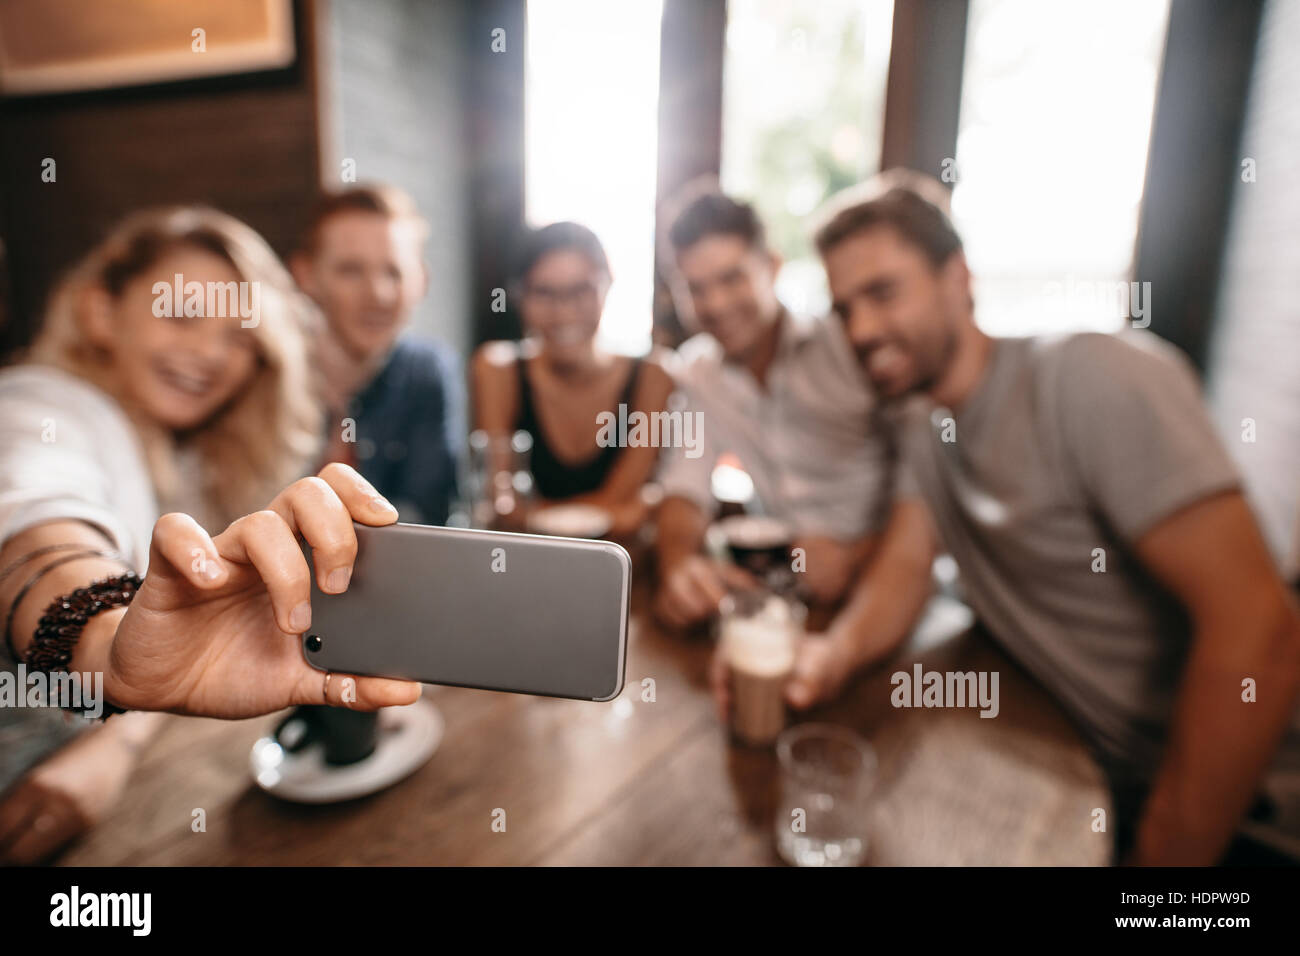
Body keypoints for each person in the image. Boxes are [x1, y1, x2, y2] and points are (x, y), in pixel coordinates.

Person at [766, 168, 1300, 865]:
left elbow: (1259, 629)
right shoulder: (923, 425)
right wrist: (830, 656)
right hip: (1080, 769)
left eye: (883, 292)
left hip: (1242, 811)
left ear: (959, 277)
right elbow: (904, 564)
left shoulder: (1088, 376)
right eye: (844, 310)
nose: (862, 329)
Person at [0, 207, 418, 864]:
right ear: (100, 312)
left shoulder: (189, 460)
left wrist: (116, 742)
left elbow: (174, 642)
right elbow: (38, 530)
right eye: (181, 316)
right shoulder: (38, 408)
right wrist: (105, 642)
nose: (210, 355)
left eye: (238, 336)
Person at [655, 184, 933, 708]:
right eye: (696, 288)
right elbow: (682, 489)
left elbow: (928, 491)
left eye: (732, 278)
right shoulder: (698, 372)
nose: (715, 304)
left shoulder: (852, 342)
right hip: (793, 605)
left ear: (773, 267)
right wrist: (678, 566)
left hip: (896, 596)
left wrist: (854, 555)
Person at [470, 222, 674, 538]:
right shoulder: (497, 368)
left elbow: (622, 499)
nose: (564, 312)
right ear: (520, 296)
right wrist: (622, 513)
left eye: (581, 291)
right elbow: (502, 508)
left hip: (618, 573)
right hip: (523, 568)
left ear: (608, 286)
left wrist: (536, 516)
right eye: (544, 293)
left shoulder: (654, 375)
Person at [291, 184, 462, 526]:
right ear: (306, 275)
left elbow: (429, 516)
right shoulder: (265, 370)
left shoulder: (427, 372)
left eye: (394, 272)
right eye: (351, 270)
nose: (378, 294)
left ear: (422, 281)